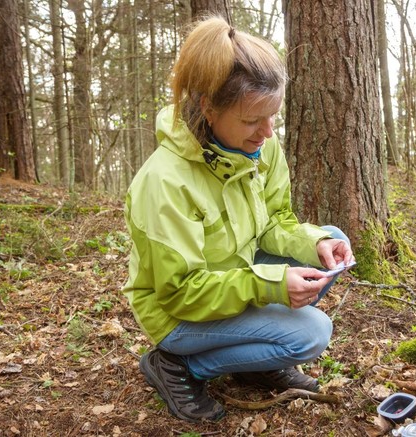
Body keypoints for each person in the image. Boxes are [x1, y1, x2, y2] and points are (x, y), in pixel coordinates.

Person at [123, 15, 355, 423]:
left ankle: (258, 360)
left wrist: (314, 243)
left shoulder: (261, 147)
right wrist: (270, 283)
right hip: (178, 314)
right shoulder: (164, 182)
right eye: (251, 120)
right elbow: (179, 293)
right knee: (311, 333)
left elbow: (275, 221)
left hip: (235, 275)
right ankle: (178, 366)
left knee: (328, 240)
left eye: (272, 117)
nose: (266, 133)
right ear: (208, 108)